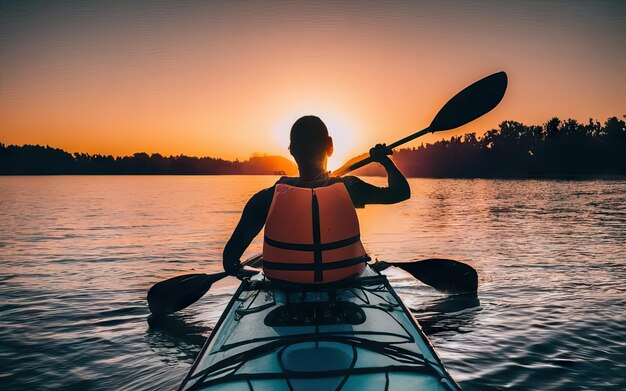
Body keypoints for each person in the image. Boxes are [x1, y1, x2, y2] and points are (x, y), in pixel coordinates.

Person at [223, 115, 410, 283]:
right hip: (344, 284)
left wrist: (250, 274)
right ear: (330, 147)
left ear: (292, 150)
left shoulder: (265, 198)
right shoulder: (350, 188)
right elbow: (401, 192)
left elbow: (229, 262)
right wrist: (386, 161)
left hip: (285, 288)